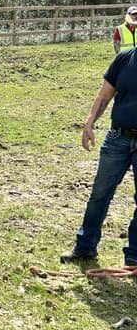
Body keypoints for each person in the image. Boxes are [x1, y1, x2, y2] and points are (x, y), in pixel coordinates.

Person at [60, 47, 137, 266]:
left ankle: (134, 256)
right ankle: (85, 247)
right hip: (118, 137)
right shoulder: (125, 58)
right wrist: (89, 122)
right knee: (99, 194)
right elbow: (104, 95)